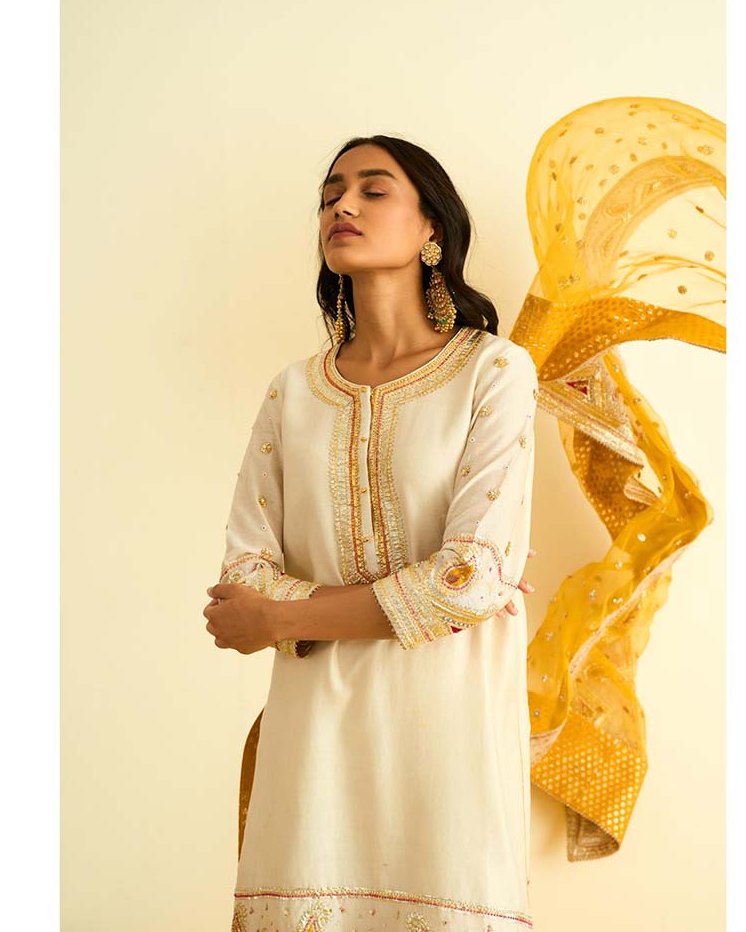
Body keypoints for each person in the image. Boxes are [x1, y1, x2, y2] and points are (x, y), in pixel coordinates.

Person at [204, 135, 540, 932]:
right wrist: (424, 595)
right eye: (330, 195)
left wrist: (283, 616)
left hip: (447, 724)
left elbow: (474, 580)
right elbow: (241, 581)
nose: (342, 206)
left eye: (372, 190)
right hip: (312, 737)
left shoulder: (492, 371)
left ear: (432, 231)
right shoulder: (295, 392)